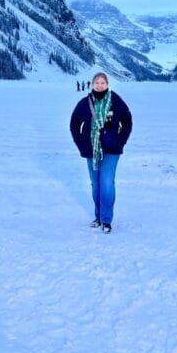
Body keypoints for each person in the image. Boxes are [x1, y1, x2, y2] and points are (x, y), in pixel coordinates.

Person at [70, 72, 132, 233]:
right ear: (92, 85)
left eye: (102, 82)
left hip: (112, 149)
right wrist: (80, 144)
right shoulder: (84, 103)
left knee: (106, 183)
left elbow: (127, 120)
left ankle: (106, 219)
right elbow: (74, 124)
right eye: (96, 82)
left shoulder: (115, 101)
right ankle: (98, 217)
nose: (99, 85)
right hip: (91, 149)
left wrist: (121, 140)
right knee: (95, 184)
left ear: (107, 84)